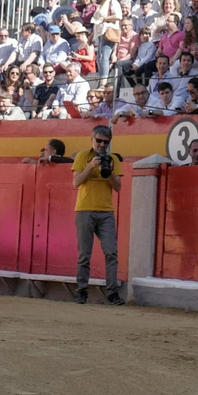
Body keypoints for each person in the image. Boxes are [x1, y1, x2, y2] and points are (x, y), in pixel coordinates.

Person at [71, 124, 125, 305]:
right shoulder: (82, 157)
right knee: (84, 254)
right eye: (99, 141)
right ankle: (82, 291)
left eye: (105, 142)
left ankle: (111, 292)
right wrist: (90, 167)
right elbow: (76, 182)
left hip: (106, 211)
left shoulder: (112, 159)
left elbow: (118, 187)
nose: (102, 145)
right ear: (92, 139)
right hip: (85, 209)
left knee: (111, 252)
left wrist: (108, 173)